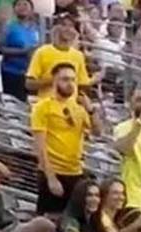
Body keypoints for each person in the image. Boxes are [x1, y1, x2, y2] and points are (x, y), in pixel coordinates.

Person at [30, 63, 100, 216]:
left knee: (75, 219)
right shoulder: (43, 107)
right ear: (55, 80)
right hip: (54, 171)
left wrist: (91, 110)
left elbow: (98, 132)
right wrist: (50, 177)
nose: (70, 84)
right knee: (51, 219)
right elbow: (39, 145)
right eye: (65, 79)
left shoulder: (79, 108)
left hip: (75, 171)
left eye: (73, 80)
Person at [24, 13, 90, 97]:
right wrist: (54, 80)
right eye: (63, 25)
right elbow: (29, 84)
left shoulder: (78, 55)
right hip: (47, 106)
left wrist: (94, 80)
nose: (68, 29)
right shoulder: (42, 51)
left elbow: (82, 84)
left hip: (70, 107)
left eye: (71, 26)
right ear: (55, 28)